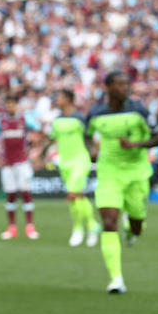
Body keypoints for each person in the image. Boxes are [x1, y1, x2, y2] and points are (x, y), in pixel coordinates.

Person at [86, 71, 158, 294]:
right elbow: (87, 134)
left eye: (126, 84)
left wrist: (136, 145)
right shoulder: (96, 113)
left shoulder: (139, 110)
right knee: (109, 221)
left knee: (137, 223)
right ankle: (116, 279)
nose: (125, 88)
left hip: (136, 174)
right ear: (108, 87)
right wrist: (91, 149)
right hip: (108, 173)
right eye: (119, 84)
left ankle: (132, 229)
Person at [46, 89, 101, 247]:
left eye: (60, 97)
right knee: (76, 198)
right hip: (65, 162)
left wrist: (96, 151)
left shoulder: (79, 119)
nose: (57, 99)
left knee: (74, 193)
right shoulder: (56, 121)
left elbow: (90, 137)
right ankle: (89, 227)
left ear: (69, 100)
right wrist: (41, 154)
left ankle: (83, 228)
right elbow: (52, 139)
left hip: (80, 160)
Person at [0, 94, 41, 240]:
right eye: (7, 104)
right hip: (7, 164)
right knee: (11, 195)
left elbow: (39, 132)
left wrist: (33, 151)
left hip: (22, 163)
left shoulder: (24, 119)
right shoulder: (0, 121)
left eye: (12, 104)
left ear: (16, 105)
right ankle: (12, 228)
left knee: (26, 193)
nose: (10, 107)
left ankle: (30, 226)